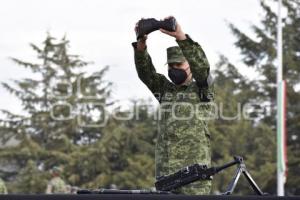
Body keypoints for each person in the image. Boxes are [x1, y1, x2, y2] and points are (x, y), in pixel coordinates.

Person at [132, 16, 214, 195]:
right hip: (166, 176)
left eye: (179, 64)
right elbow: (146, 73)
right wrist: (141, 44)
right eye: (170, 65)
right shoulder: (165, 90)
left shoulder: (202, 90)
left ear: (189, 66)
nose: (173, 68)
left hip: (194, 180)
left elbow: (202, 68)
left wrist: (181, 37)